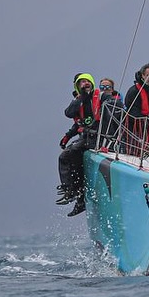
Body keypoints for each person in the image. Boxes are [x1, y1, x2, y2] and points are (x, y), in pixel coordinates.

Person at [57, 73, 97, 207]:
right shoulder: (79, 100)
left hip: (96, 136)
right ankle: (75, 193)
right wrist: (67, 136)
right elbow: (70, 113)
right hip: (84, 136)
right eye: (81, 82)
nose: (85, 84)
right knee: (71, 160)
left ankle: (73, 190)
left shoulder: (98, 97)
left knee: (68, 155)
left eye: (87, 82)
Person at [120, 63, 149, 155]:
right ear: (142, 75)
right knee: (133, 153)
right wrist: (146, 121)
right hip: (134, 130)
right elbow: (132, 111)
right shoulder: (134, 91)